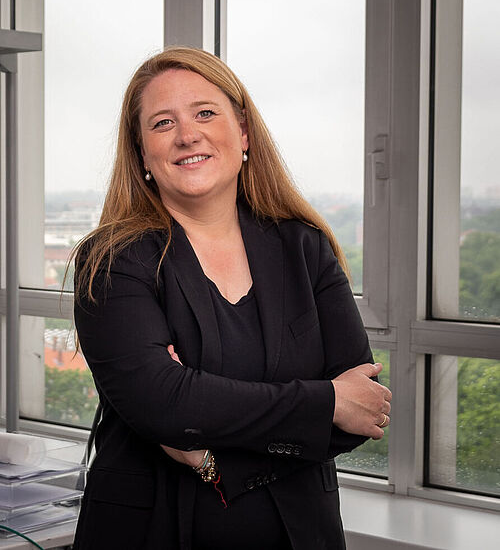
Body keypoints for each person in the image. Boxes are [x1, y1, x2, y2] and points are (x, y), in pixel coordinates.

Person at [71, 46, 392, 550]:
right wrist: (324, 400)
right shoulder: (114, 260)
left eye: (204, 112)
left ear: (242, 131)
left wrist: (208, 455)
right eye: (161, 123)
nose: (187, 134)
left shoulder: (305, 247)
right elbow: (162, 404)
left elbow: (362, 410)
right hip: (156, 532)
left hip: (300, 534)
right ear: (142, 155)